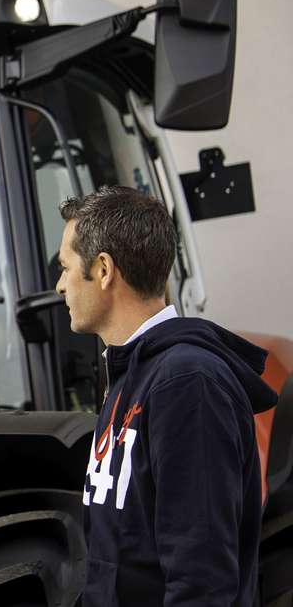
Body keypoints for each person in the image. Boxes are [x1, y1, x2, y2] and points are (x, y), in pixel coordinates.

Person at [56, 186, 277, 607]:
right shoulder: (128, 376)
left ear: (103, 270)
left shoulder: (188, 383)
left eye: (66, 267)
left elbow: (203, 580)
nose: (60, 285)